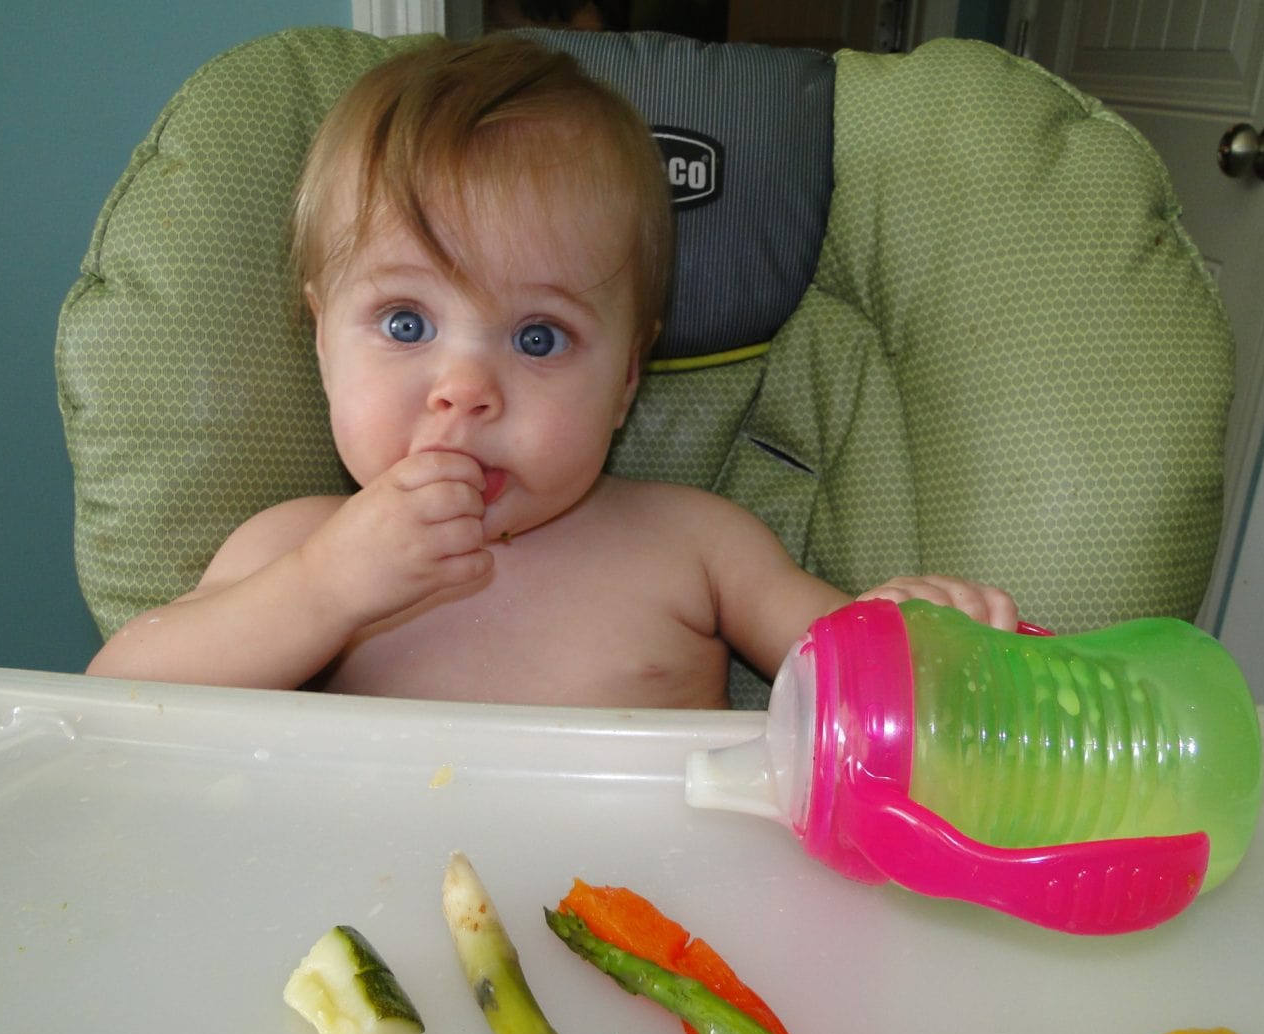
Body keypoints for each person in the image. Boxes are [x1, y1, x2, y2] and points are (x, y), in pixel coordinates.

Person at [87, 36, 1016, 708]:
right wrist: (326, 590)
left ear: (626, 382)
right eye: (406, 321)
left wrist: (913, 641)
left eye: (538, 338)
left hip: (659, 937)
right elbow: (116, 700)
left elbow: (858, 691)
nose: (465, 389)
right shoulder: (291, 550)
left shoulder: (702, 548)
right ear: (320, 340)